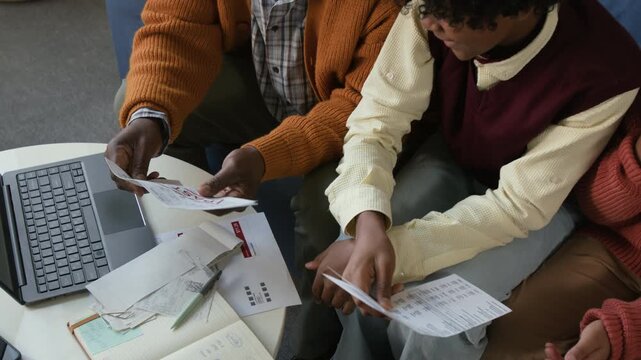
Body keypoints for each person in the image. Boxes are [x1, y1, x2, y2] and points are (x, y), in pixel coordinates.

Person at [304, 0, 641, 358]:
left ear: (519, 9)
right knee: (356, 243)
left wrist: (396, 252)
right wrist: (368, 221)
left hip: (545, 201)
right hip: (457, 154)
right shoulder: (428, 10)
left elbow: (518, 205)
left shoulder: (609, 70)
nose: (429, 23)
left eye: (446, 18)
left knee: (439, 320)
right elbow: (378, 119)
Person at [103, 1, 401, 359]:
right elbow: (174, 23)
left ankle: (310, 349)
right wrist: (149, 116)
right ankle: (188, 262)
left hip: (355, 125)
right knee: (146, 104)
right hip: (268, 87)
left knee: (319, 209)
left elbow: (365, 106)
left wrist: (264, 156)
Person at [482, 115, 641, 359]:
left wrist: (622, 333)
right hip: (620, 253)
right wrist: (636, 162)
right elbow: (595, 205)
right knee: (504, 332)